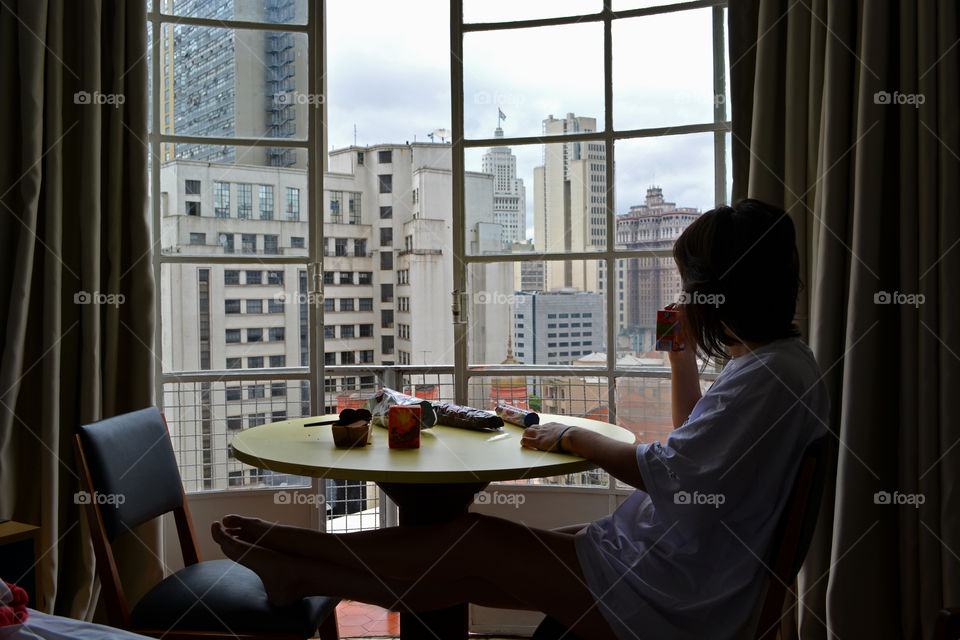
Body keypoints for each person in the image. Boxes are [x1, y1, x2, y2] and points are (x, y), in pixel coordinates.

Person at [211, 199, 830, 640]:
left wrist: (570, 434)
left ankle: (304, 557)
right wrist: (678, 361)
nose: (689, 295)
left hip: (673, 594)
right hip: (672, 567)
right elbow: (699, 448)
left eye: (694, 282)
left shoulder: (771, 377)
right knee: (467, 556)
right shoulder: (776, 367)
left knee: (471, 542)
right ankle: (303, 563)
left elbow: (669, 472)